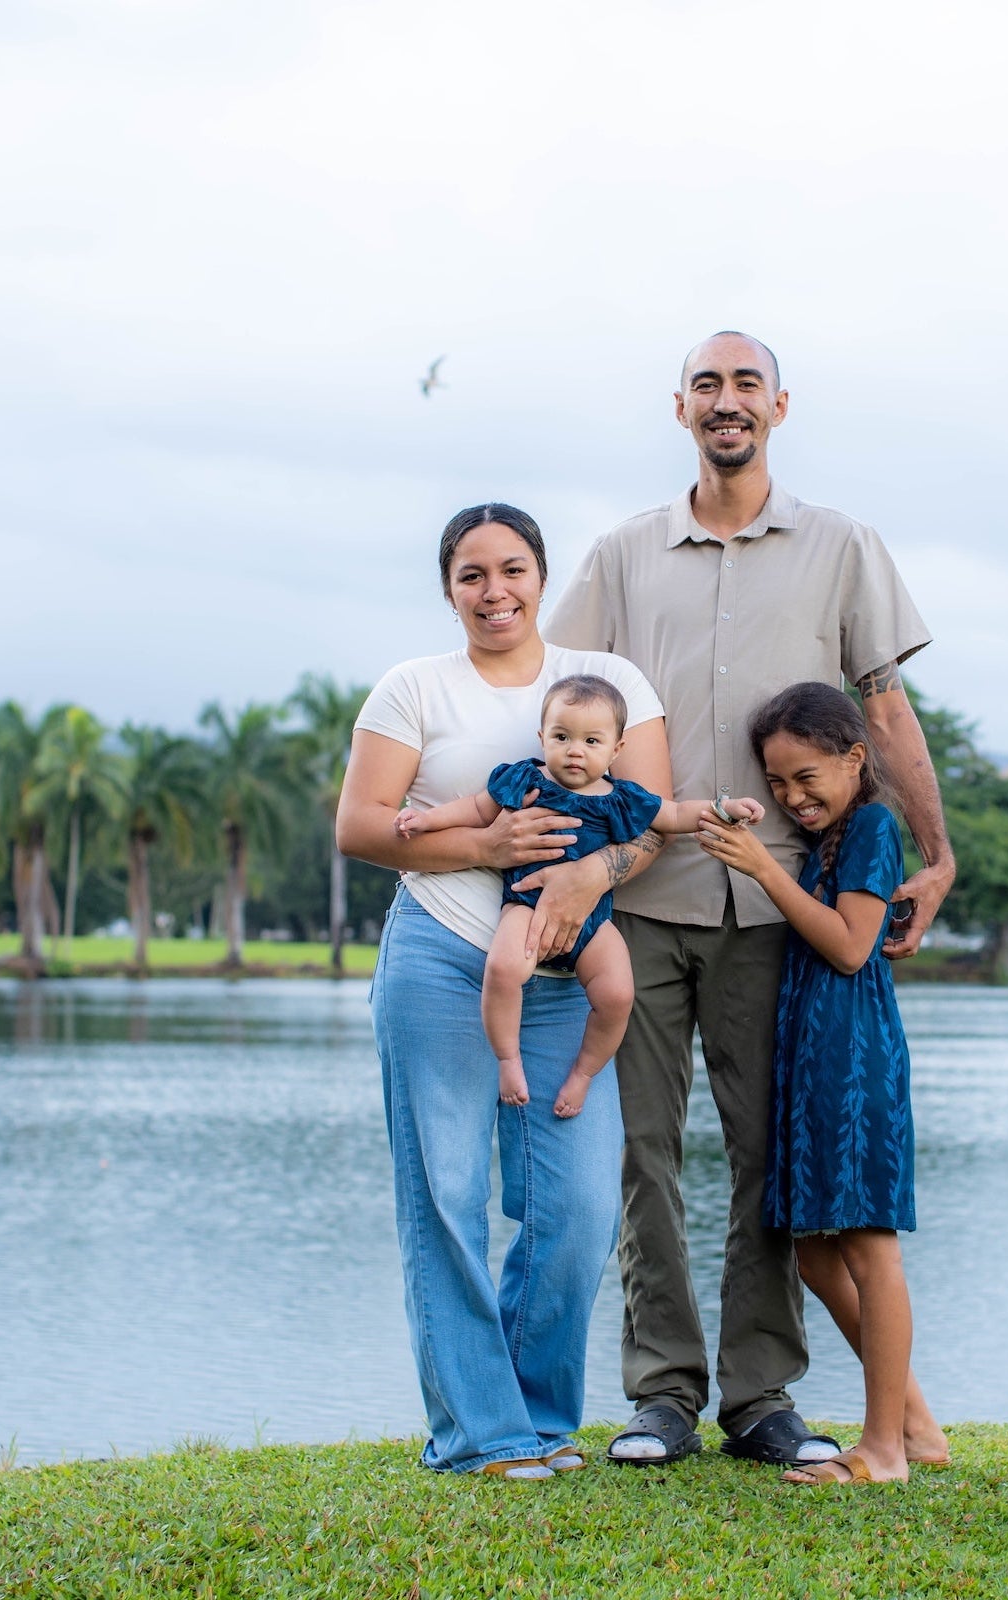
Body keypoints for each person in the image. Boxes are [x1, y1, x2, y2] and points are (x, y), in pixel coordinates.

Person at [544, 331, 956, 1469]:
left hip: (780, 912)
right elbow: (561, 700)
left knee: (770, 1164)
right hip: (643, 896)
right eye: (707, 386)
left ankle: (761, 1396)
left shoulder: (840, 547)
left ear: (778, 404)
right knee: (644, 1153)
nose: (727, 403)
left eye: (745, 386)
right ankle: (662, 1395)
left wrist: (936, 850)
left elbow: (883, 707)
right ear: (680, 406)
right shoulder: (623, 553)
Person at [335, 503, 674, 1480]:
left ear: (540, 574)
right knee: (444, 1193)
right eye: (472, 574)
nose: (495, 591)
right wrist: (485, 845)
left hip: (568, 971)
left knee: (572, 1208)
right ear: (449, 588)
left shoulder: (609, 685)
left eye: (513, 569)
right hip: (442, 958)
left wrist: (586, 878)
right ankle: (477, 1434)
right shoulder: (413, 688)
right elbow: (361, 826)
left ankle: (538, 1419)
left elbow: (648, 822)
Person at [698, 682, 944, 1485]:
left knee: (870, 1249)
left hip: (854, 1062)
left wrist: (765, 869)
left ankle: (882, 1451)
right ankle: (916, 1426)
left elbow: (849, 947)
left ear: (855, 758)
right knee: (810, 1252)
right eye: (777, 783)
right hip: (811, 1060)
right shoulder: (832, 839)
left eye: (807, 777)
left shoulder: (871, 826)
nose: (792, 796)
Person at [393, 673, 762, 1117]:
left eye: (591, 741)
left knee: (619, 994)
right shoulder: (526, 781)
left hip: (592, 923)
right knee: (504, 968)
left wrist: (725, 809)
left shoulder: (622, 799)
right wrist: (426, 821)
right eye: (562, 736)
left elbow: (677, 813)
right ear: (541, 737)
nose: (575, 750)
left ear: (616, 750)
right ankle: (508, 1060)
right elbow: (474, 809)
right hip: (526, 907)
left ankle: (584, 1073)